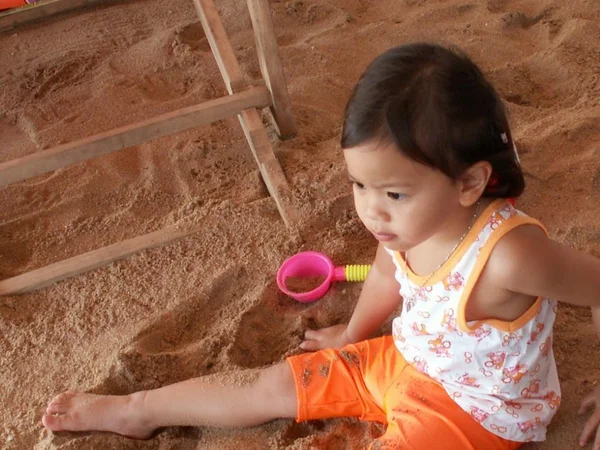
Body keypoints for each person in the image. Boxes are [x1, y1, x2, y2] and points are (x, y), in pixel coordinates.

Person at [42, 42, 600, 449]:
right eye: (359, 185)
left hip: (477, 412)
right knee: (268, 385)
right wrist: (353, 336)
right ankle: (137, 410)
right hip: (403, 359)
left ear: (470, 183)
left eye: (394, 192)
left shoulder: (510, 254)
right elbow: (385, 279)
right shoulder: (403, 224)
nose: (370, 209)